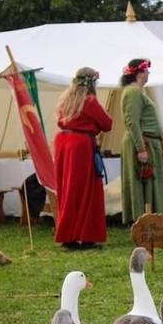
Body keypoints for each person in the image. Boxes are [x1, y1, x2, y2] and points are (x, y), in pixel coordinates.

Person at [53, 67, 111, 249]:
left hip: (63, 143)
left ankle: (68, 236)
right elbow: (107, 123)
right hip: (81, 145)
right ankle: (86, 236)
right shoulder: (89, 101)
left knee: (67, 188)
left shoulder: (65, 100)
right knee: (86, 189)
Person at [120, 58, 163, 224]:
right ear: (139, 73)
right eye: (146, 70)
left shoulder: (138, 91)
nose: (148, 73)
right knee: (144, 182)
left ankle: (153, 220)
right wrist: (141, 148)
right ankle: (144, 221)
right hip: (143, 142)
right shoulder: (133, 92)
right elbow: (132, 122)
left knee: (150, 182)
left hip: (148, 141)